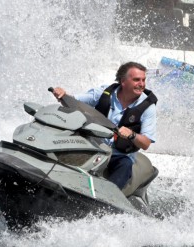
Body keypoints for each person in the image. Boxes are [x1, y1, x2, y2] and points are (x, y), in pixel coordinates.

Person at [50, 62, 157, 190]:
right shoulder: (104, 92)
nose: (142, 84)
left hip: (118, 155)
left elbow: (145, 143)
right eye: (136, 80)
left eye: (143, 80)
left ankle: (106, 202)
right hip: (92, 146)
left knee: (125, 164)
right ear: (123, 81)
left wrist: (132, 135)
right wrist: (62, 94)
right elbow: (72, 101)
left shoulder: (148, 107)